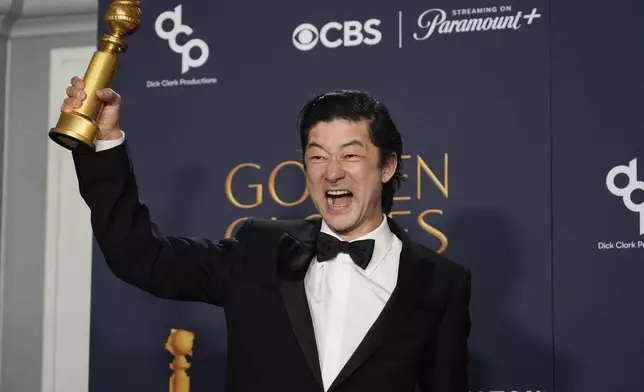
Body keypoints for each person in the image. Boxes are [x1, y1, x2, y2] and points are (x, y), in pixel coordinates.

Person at [62, 76, 472, 392]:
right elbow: (140, 256)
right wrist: (105, 144)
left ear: (386, 168)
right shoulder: (257, 250)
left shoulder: (441, 282)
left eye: (350, 154)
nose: (332, 171)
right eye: (317, 156)